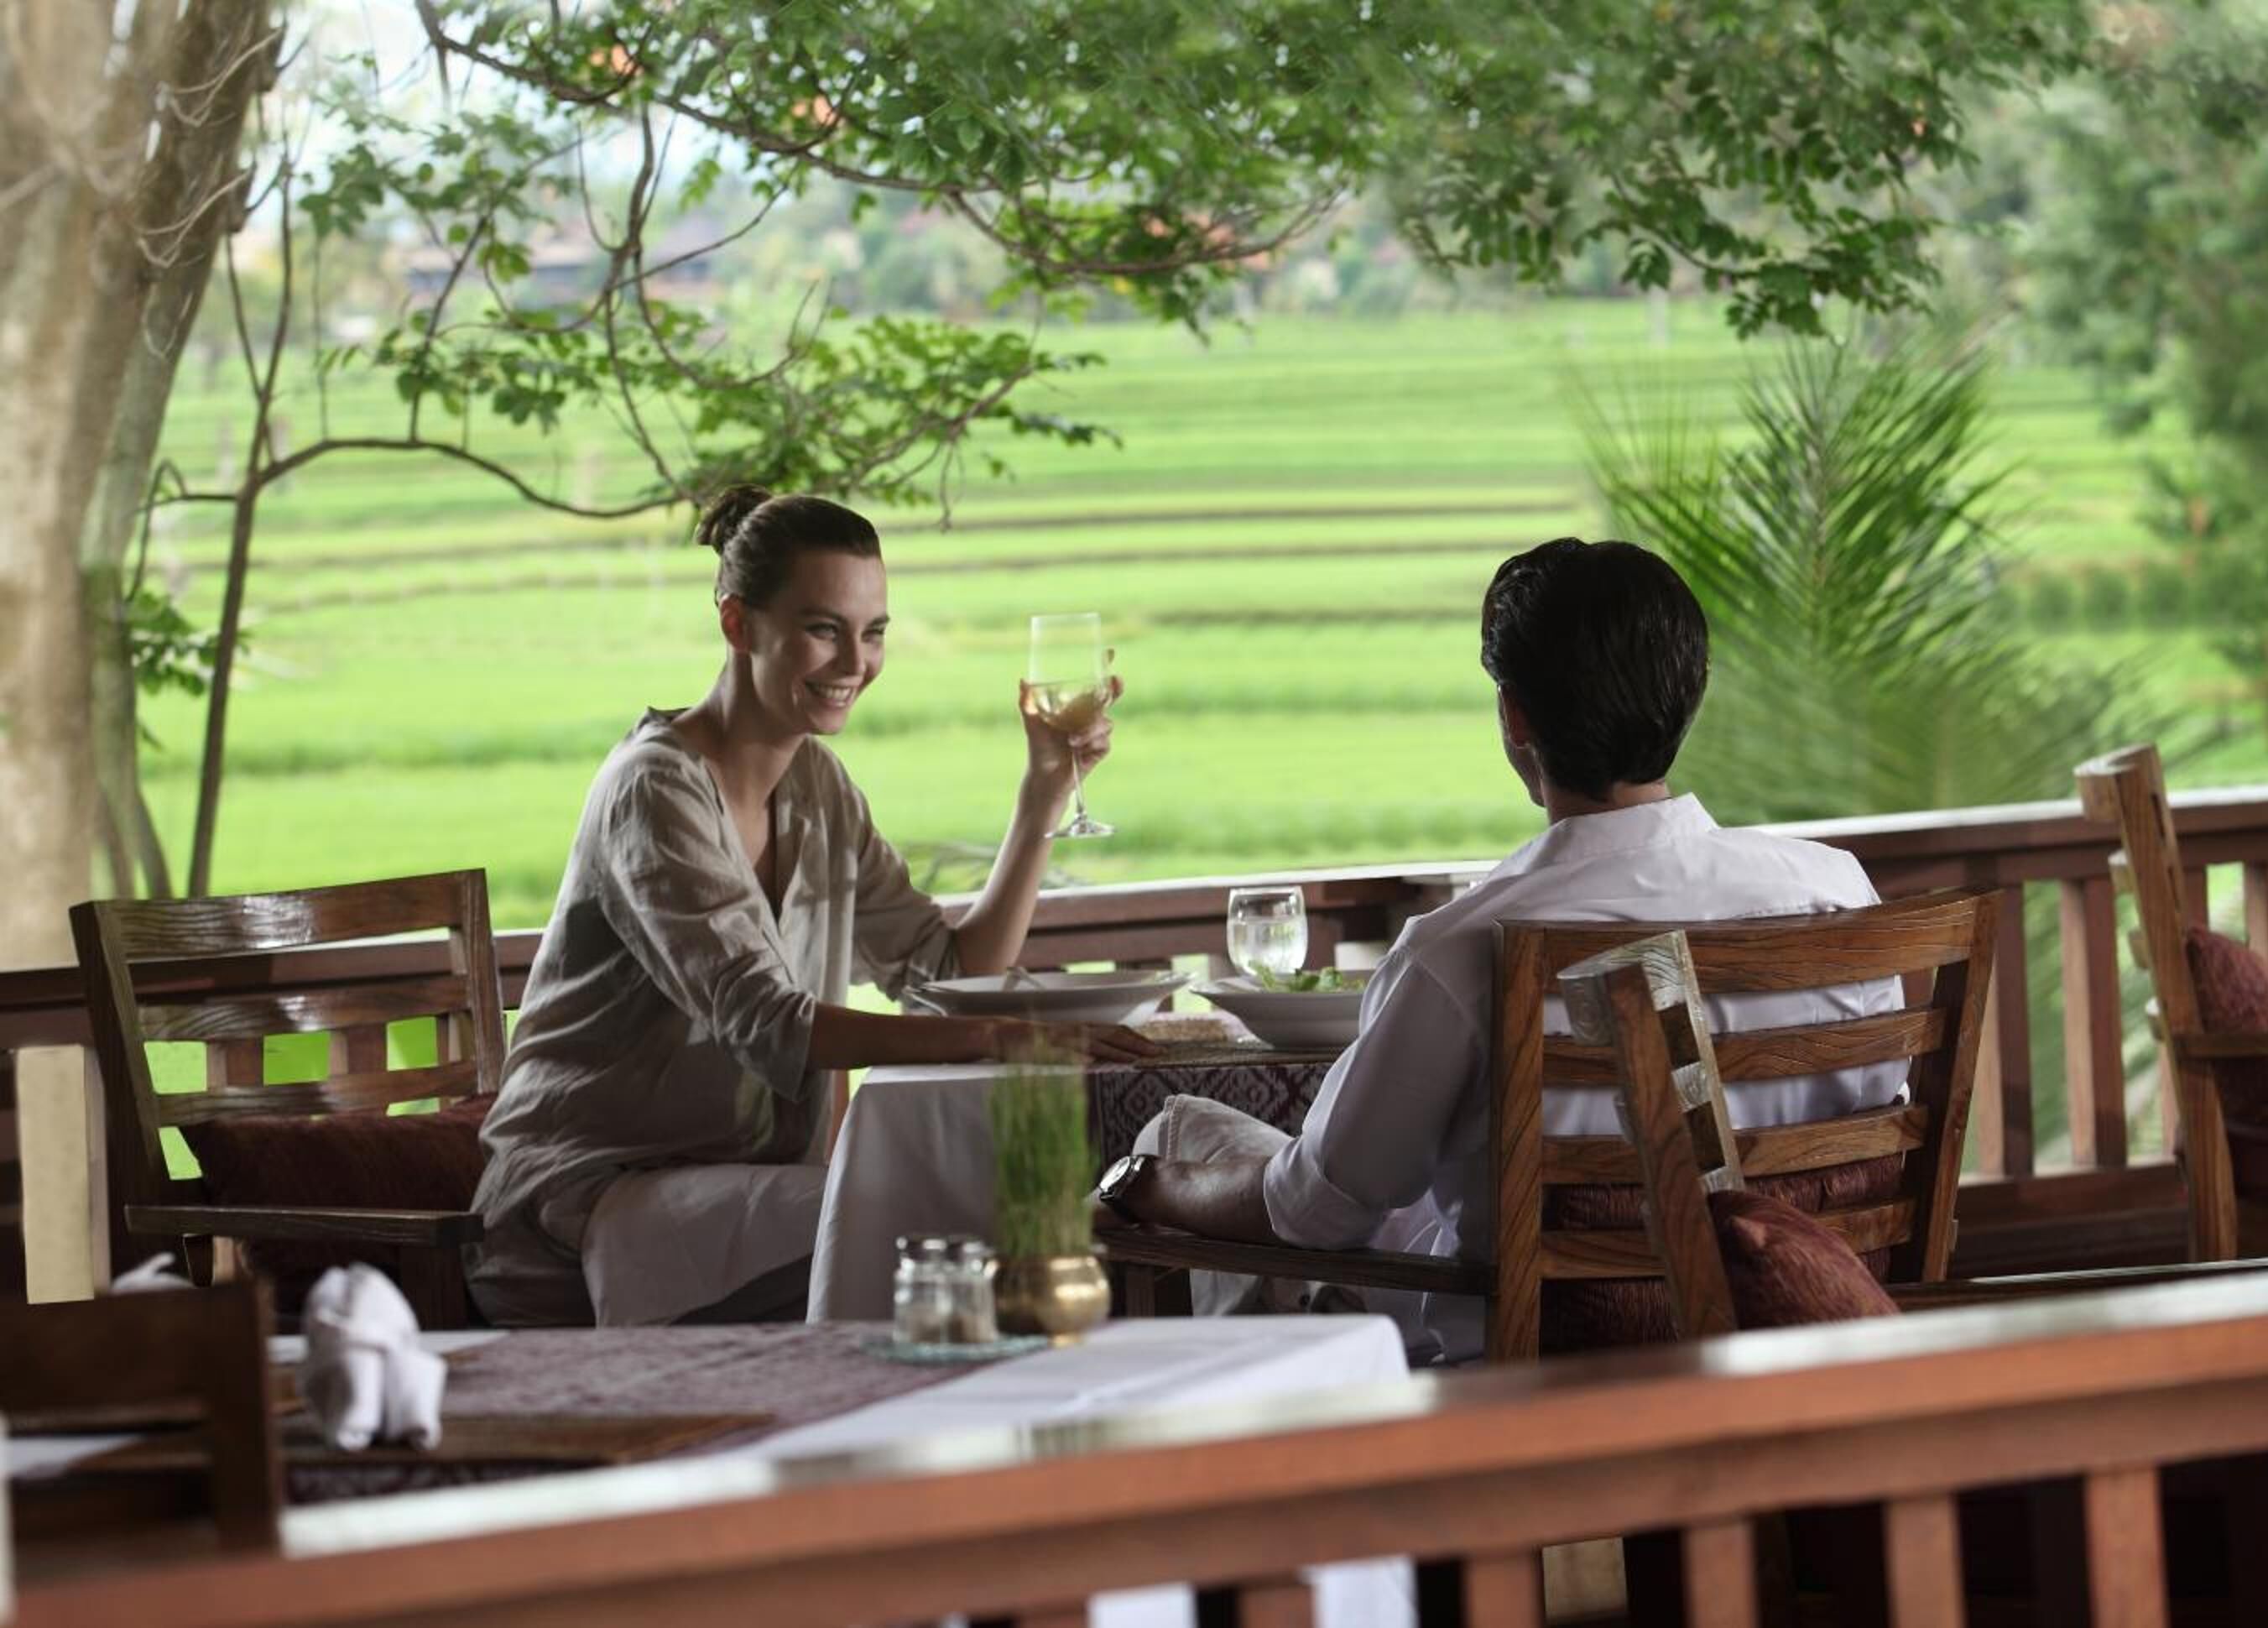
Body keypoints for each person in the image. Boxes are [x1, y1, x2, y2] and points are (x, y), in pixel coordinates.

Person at [1092, 537, 1904, 1363]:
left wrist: (1142, 1181)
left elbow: (1316, 1210)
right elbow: (1880, 1125)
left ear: (1516, 716)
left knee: (1190, 1141)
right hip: (1812, 1353)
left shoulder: (1464, 948)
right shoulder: (1837, 893)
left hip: (1533, 1379)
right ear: (1689, 694)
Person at [469, 486, 1158, 1328]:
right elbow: (768, 1019)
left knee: (1046, 1211)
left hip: (754, 1189)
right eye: (822, 628)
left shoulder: (818, 787)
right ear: (737, 624)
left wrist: (1045, 794)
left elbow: (949, 969)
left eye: (872, 634)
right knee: (953, 1224)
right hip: (590, 1198)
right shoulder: (653, 789)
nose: (853, 662)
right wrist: (1008, 1035)